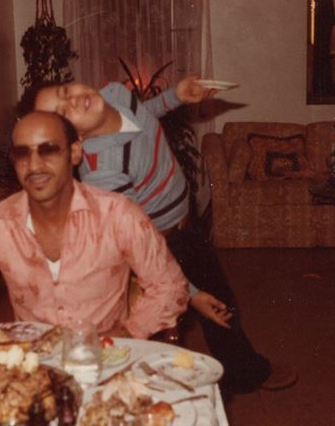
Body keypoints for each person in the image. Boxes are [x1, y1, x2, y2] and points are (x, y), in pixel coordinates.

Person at [25, 77, 297, 394]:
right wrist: (189, 292)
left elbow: (143, 113)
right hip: (163, 243)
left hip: (185, 220)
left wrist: (176, 96)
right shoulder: (105, 173)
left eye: (65, 91)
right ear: (76, 139)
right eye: (63, 112)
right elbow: (136, 245)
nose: (72, 99)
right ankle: (233, 378)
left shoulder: (114, 93)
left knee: (219, 301)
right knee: (214, 306)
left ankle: (240, 369)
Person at [0, 111, 189, 339]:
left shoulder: (117, 215)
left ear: (75, 152)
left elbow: (170, 285)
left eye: (48, 150)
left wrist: (129, 332)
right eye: (23, 153)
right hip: (33, 363)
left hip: (105, 359)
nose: (34, 166)